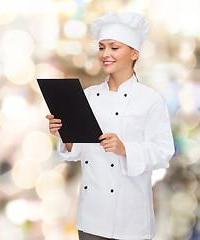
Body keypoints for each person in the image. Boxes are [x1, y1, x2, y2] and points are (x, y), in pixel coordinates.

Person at [46, 12, 175, 240]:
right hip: (91, 217)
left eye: (114, 48)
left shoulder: (150, 99)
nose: (105, 54)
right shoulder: (89, 96)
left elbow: (163, 153)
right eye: (102, 47)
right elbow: (78, 151)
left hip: (132, 219)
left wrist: (125, 148)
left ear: (134, 53)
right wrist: (64, 133)